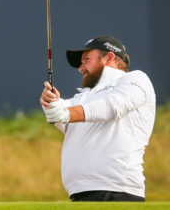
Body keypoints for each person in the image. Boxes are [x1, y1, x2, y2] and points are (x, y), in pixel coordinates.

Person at [39, 36, 156, 202]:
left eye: (86, 59)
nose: (81, 68)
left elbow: (112, 106)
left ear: (109, 57)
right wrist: (52, 103)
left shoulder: (135, 79)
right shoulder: (83, 97)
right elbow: (66, 119)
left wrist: (66, 113)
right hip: (80, 195)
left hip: (117, 193)